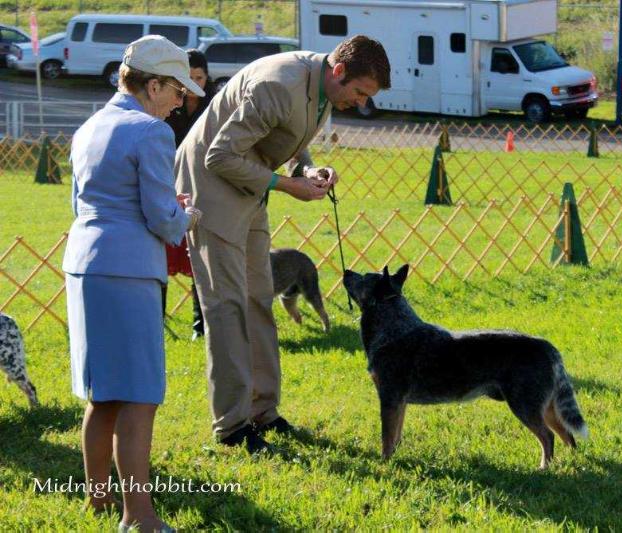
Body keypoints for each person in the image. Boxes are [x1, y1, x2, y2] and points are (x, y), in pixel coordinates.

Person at [175, 35, 391, 453]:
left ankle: (263, 411)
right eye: (360, 93)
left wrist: (308, 169)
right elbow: (216, 157)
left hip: (251, 183)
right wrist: (287, 185)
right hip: (211, 191)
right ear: (339, 70)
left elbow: (290, 132)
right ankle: (233, 427)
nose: (362, 103)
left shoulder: (323, 85)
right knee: (227, 306)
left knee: (259, 297)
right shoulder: (279, 83)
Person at [62, 35, 204, 532]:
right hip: (127, 270)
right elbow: (162, 220)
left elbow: (84, 203)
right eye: (177, 90)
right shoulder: (150, 132)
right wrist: (186, 215)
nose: (182, 101)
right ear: (154, 84)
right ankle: (139, 516)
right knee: (140, 395)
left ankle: (98, 501)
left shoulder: (89, 126)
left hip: (83, 263)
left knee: (104, 394)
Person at [163, 49, 216, 340]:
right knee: (162, 254)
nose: (195, 83)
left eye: (200, 77)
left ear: (207, 78)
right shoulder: (171, 105)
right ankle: (156, 319)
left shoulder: (215, 105)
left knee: (199, 257)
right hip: (169, 184)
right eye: (189, 78)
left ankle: (200, 324)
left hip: (202, 186)